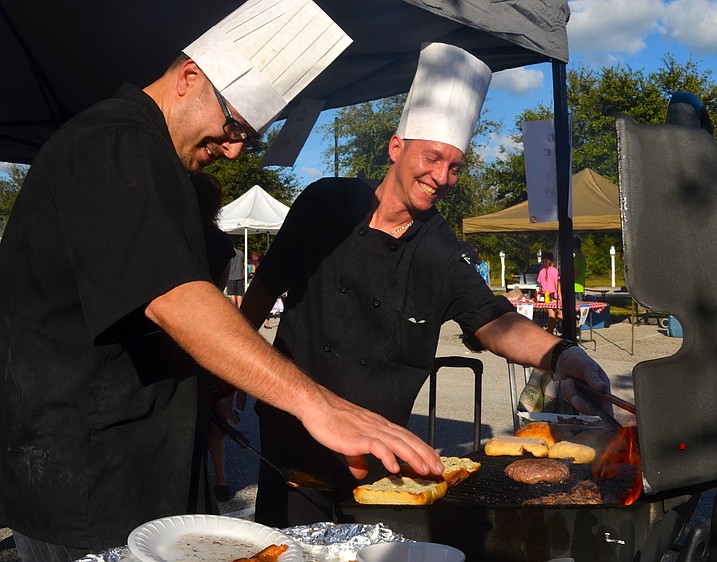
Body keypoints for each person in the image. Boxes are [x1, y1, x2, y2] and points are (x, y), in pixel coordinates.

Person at [0, 3, 443, 559]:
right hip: (81, 477)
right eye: (233, 126)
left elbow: (135, 313)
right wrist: (317, 404)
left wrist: (205, 384)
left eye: (249, 138)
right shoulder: (112, 140)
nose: (234, 149)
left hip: (137, 467)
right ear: (189, 77)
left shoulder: (159, 159)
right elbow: (173, 298)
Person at [240, 42, 611, 528]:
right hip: (294, 442)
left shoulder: (440, 247)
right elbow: (265, 286)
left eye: (455, 166)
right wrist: (232, 373)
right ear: (397, 147)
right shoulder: (325, 204)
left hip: (378, 457)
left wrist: (564, 355)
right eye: (433, 157)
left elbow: (494, 320)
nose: (442, 177)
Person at [190, 173, 239, 503]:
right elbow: (218, 292)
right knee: (218, 410)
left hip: (171, 338)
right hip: (207, 332)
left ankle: (194, 485)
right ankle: (220, 480)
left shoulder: (176, 235)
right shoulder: (223, 244)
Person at [537, 251, 562, 334]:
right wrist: (560, 297)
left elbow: (540, 284)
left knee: (551, 315)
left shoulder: (541, 271)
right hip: (553, 295)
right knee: (560, 314)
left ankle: (549, 331)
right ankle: (549, 331)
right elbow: (557, 285)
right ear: (553, 261)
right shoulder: (554, 271)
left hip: (545, 296)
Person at [574, 237, 587, 301]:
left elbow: (576, 274)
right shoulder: (582, 257)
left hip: (576, 287)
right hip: (580, 286)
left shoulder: (577, 259)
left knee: (576, 307)